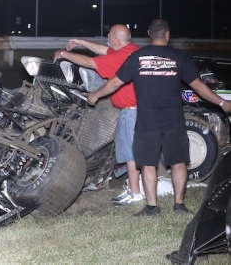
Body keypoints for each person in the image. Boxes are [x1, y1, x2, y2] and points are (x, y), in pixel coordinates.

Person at [88, 19, 231, 216]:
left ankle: (152, 207)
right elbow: (199, 86)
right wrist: (222, 103)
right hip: (173, 120)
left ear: (148, 33)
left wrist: (95, 95)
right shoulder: (178, 57)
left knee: (148, 163)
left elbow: (114, 83)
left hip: (146, 120)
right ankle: (179, 205)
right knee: (179, 162)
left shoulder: (137, 57)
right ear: (167, 35)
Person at [53, 24, 142, 206]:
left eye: (109, 35)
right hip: (139, 110)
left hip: (130, 112)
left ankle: (136, 193)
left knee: (131, 154)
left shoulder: (119, 57)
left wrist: (63, 54)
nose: (107, 37)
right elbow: (104, 50)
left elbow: (90, 63)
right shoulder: (131, 50)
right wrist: (80, 42)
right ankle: (136, 188)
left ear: (116, 39)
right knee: (133, 152)